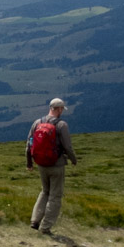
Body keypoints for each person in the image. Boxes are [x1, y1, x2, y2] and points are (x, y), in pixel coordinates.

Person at [25, 97, 78, 235]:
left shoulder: (37, 122)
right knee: (55, 196)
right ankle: (46, 227)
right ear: (59, 109)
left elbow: (29, 143)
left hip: (41, 164)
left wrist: (29, 163)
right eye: (62, 109)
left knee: (44, 191)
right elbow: (67, 146)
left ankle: (34, 220)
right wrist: (73, 159)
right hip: (57, 165)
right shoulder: (61, 125)